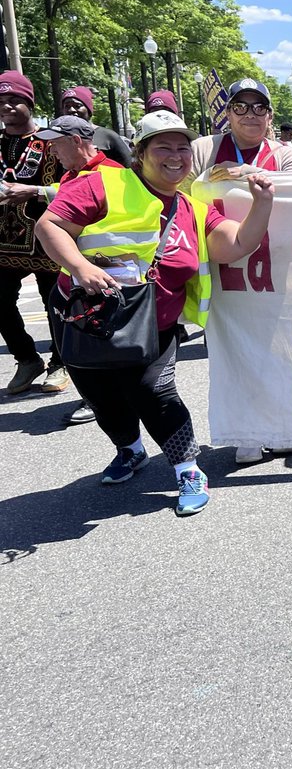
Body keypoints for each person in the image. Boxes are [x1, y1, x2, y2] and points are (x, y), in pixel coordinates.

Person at [35, 110, 275, 515]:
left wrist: (262, 202)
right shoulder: (104, 183)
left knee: (155, 393)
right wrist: (82, 267)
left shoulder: (194, 209)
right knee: (100, 395)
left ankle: (187, 469)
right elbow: (50, 226)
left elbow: (234, 245)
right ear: (141, 152)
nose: (175, 155)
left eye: (183, 147)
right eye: (163, 146)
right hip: (86, 318)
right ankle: (130, 451)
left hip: (155, 325)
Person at [34, 115, 127, 421]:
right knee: (76, 349)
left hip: (99, 281)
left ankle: (103, 401)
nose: (52, 152)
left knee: (96, 351)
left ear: (76, 141)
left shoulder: (108, 175)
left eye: (56, 144)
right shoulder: (74, 175)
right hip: (72, 281)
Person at [0, 71, 67, 396]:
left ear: (29, 102)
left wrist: (34, 191)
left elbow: (73, 186)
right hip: (3, 241)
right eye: (1, 102)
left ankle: (60, 360)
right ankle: (26, 358)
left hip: (46, 235)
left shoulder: (51, 142)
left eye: (14, 100)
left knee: (54, 302)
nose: (7, 107)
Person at [189, 78, 292, 188]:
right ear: (228, 113)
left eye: (259, 108)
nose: (250, 115)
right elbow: (181, 199)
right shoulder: (201, 150)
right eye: (240, 107)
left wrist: (245, 172)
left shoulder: (287, 156)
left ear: (270, 116)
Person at [59, 85, 134, 168]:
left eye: (77, 106)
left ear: (89, 110)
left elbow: (129, 167)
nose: (71, 110)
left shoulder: (108, 136)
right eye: (67, 106)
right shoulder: (59, 139)